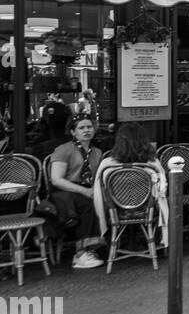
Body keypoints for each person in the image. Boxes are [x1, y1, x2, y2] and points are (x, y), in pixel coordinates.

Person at [92, 122, 169, 250]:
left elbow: (99, 192)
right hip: (146, 210)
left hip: (117, 210)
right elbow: (162, 189)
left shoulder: (107, 164)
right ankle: (157, 240)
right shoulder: (152, 163)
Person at [49, 114, 106, 269]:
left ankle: (98, 247)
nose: (86, 130)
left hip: (87, 189)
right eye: (81, 128)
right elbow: (56, 180)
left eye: (89, 127)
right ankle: (81, 254)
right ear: (73, 132)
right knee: (88, 204)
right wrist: (83, 191)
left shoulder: (97, 152)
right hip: (64, 192)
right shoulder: (64, 149)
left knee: (105, 202)